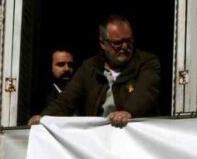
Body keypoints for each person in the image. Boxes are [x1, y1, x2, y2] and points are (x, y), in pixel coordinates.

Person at [29, 16, 161, 128]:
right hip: (99, 140)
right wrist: (44, 117)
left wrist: (128, 112)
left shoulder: (146, 62)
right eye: (118, 43)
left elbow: (146, 93)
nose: (125, 47)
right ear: (103, 43)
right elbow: (67, 99)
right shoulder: (90, 67)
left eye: (128, 41)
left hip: (133, 135)